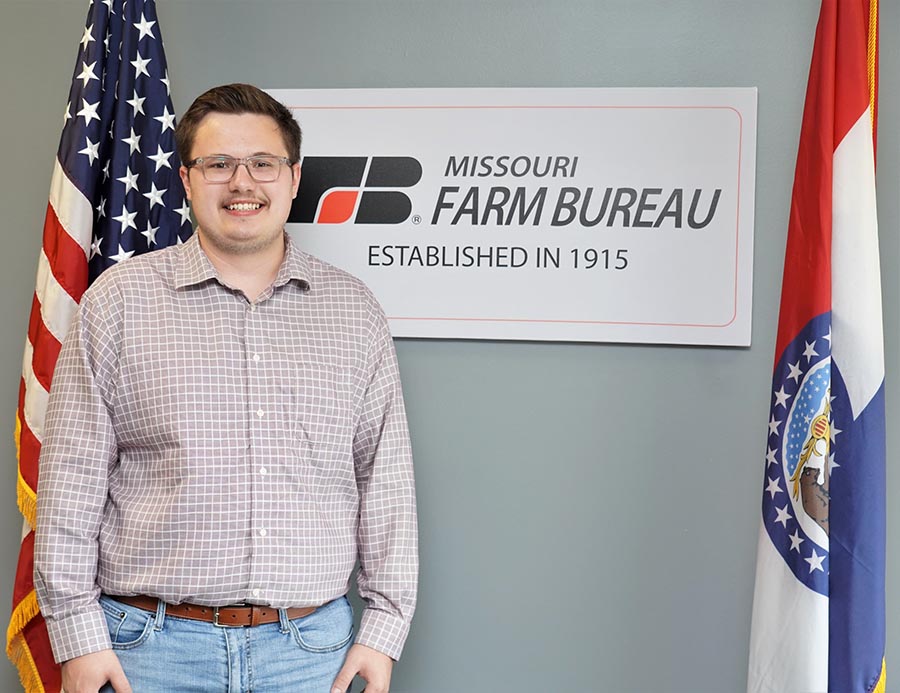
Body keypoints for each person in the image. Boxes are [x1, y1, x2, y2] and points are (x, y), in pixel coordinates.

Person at [34, 83, 418, 693]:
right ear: (186, 180)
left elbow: (385, 479)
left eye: (262, 163)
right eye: (218, 164)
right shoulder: (116, 304)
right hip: (145, 652)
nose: (242, 183)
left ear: (293, 178)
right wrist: (77, 635)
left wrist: (384, 630)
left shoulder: (354, 312)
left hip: (311, 654)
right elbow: (71, 480)